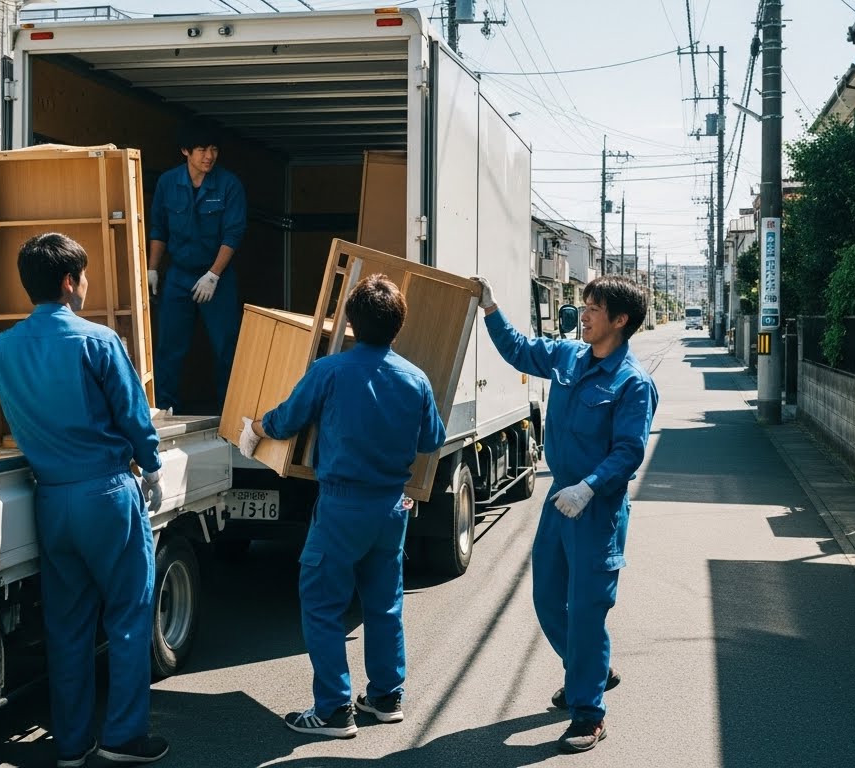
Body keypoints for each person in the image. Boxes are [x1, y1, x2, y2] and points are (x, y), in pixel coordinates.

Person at [0, 233, 169, 767]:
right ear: (70, 283)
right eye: (84, 275)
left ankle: (71, 746)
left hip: (51, 499)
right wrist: (153, 466)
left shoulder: (2, 348)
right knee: (128, 616)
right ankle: (123, 738)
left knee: (67, 628)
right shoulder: (99, 341)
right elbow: (134, 416)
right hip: (108, 494)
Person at [239, 274, 447, 740]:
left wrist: (256, 427)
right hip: (392, 506)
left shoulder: (329, 371)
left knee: (322, 604)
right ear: (399, 325)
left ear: (350, 322)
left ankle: (334, 710)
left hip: (342, 505)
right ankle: (386, 698)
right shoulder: (415, 378)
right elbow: (432, 439)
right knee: (385, 604)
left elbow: (287, 420)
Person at [472, 274, 658, 755]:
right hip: (560, 501)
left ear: (620, 320)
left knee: (588, 611)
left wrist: (590, 486)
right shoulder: (568, 356)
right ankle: (589, 669)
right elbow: (519, 350)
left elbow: (629, 451)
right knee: (548, 599)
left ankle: (589, 713)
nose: (585, 315)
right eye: (586, 305)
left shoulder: (632, 382)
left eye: (595, 308)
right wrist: (491, 309)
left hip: (596, 508)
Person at [147, 120, 248, 414]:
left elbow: (233, 233)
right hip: (179, 274)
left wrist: (214, 275)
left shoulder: (229, 185)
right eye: (202, 149)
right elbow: (159, 229)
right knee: (169, 345)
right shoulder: (168, 183)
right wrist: (152, 269)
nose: (209, 156)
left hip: (218, 276)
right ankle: (166, 409)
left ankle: (228, 412)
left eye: (214, 149)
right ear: (185, 151)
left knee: (226, 345)